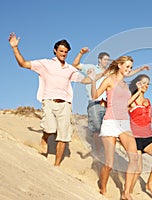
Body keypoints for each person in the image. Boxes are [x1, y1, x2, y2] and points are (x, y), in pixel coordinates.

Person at [8, 32, 92, 166]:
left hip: (65, 104)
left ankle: (57, 166)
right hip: (49, 101)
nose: (63, 54)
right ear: (55, 50)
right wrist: (14, 48)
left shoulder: (70, 69)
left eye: (65, 52)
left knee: (63, 137)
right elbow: (23, 64)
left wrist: (101, 76)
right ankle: (44, 139)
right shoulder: (45, 64)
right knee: (50, 129)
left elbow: (85, 80)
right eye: (61, 51)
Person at [72, 51, 149, 158]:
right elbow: (84, 79)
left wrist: (140, 69)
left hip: (107, 103)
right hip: (95, 101)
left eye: (108, 60)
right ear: (99, 59)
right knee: (97, 128)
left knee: (107, 129)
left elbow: (127, 72)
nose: (107, 62)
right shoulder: (95, 70)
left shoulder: (111, 73)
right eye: (105, 59)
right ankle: (98, 152)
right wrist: (81, 54)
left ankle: (107, 149)